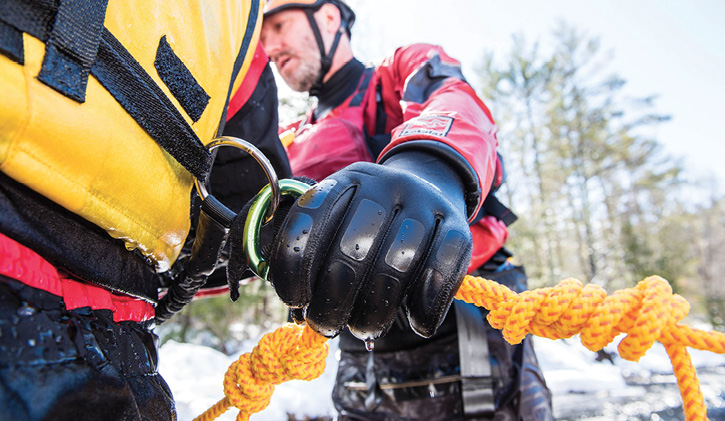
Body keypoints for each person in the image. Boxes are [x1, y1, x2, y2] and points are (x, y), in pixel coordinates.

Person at [258, 1, 554, 419]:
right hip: (356, 341)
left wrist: (429, 164)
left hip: (463, 315)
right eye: (261, 36)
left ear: (327, 17)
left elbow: (454, 102)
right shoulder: (290, 139)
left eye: (278, 25)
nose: (269, 45)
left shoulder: (398, 72)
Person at [0, 1, 291, 419]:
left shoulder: (244, 23)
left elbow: (252, 206)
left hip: (125, 343)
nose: (275, 39)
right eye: (275, 24)